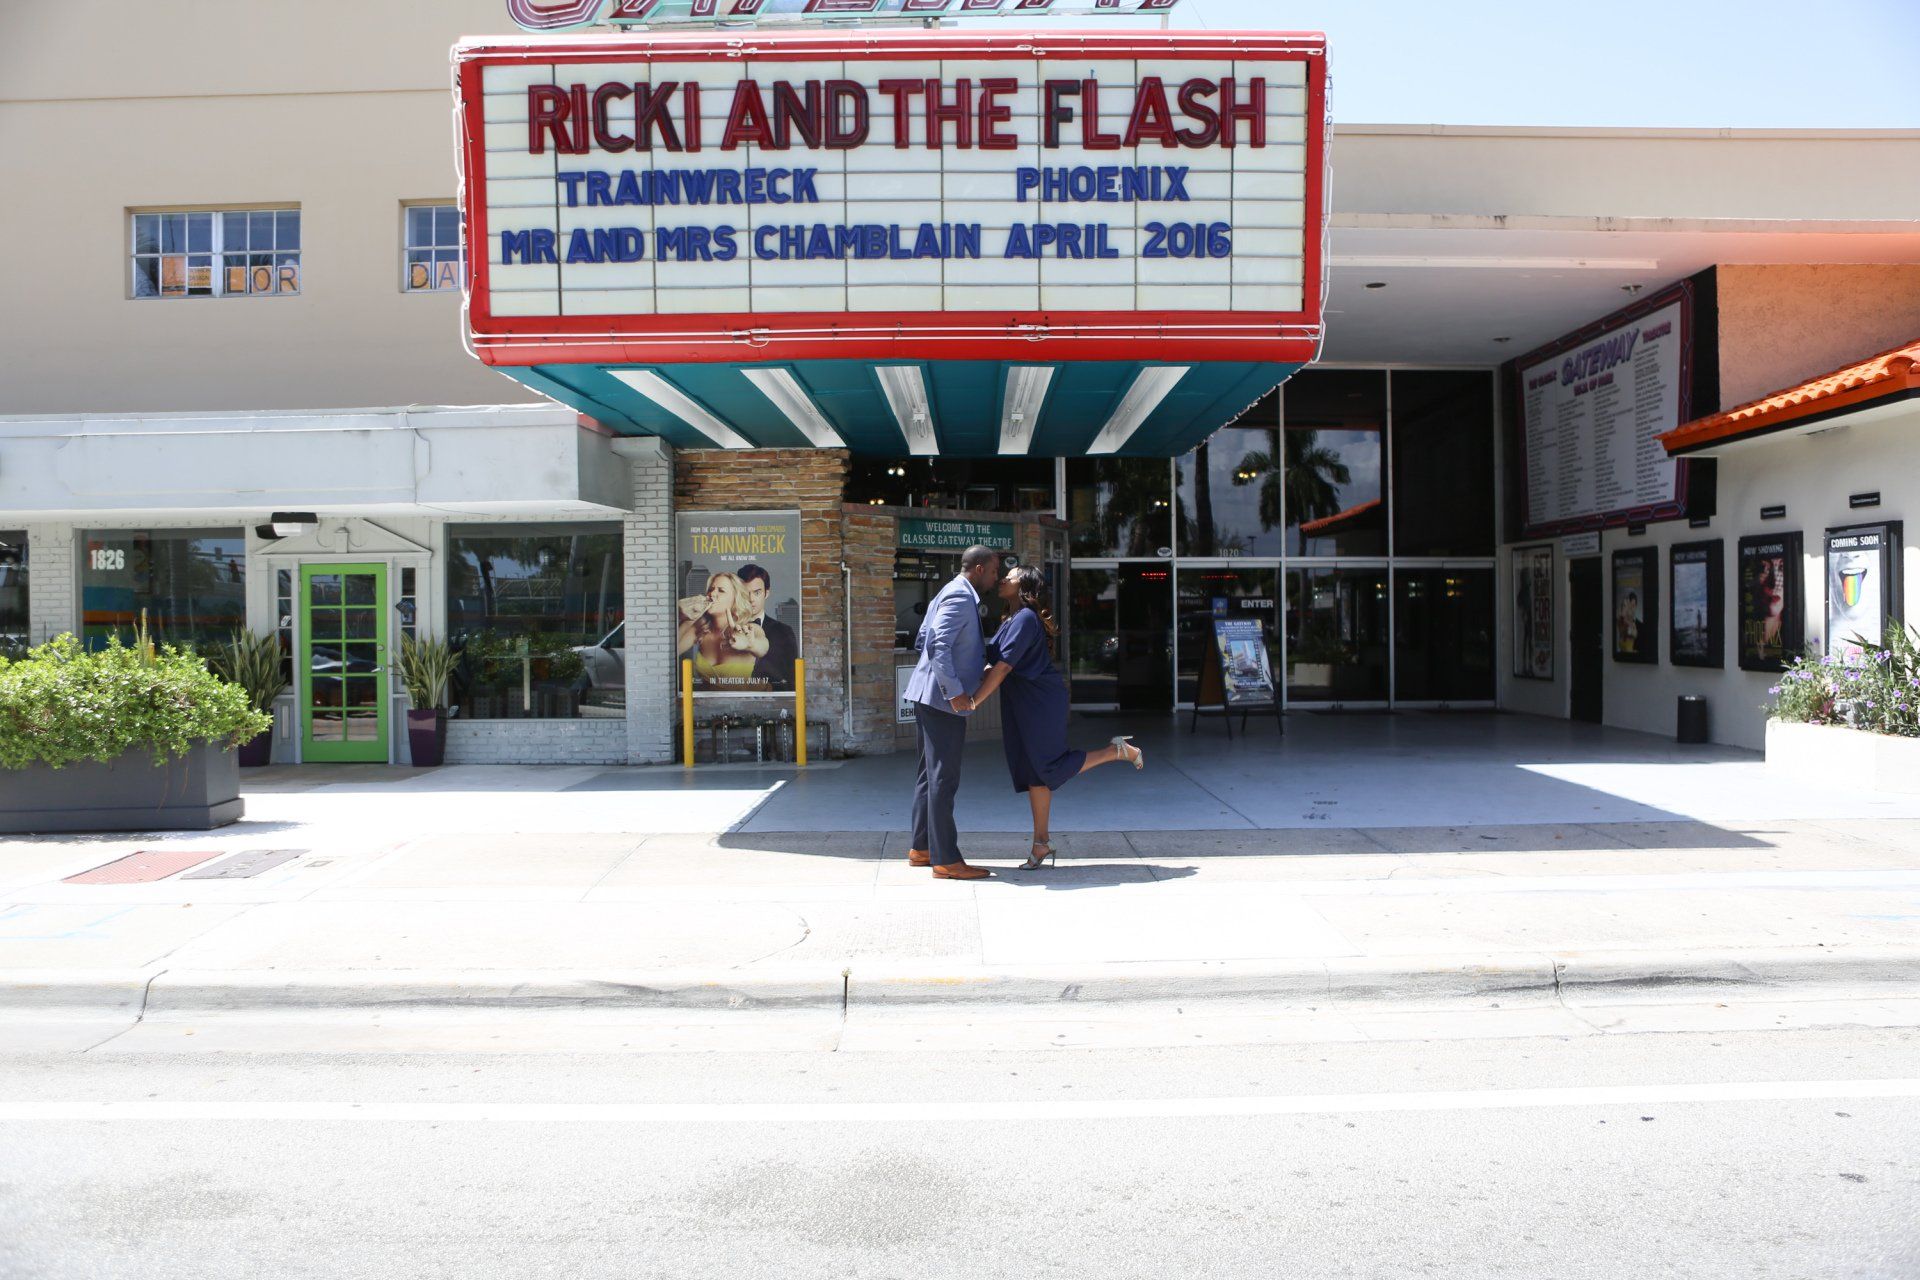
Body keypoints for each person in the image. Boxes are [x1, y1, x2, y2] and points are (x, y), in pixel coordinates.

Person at [968, 565, 1143, 869]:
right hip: (1020, 700)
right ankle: (1041, 845)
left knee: (1047, 766)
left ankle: (1116, 751)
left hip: (1039, 701)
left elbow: (1005, 667)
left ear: (1024, 585)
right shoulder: (1010, 618)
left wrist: (975, 700)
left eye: (1011, 575)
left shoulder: (1024, 618)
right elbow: (997, 664)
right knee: (1034, 772)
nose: (1004, 579)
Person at [901, 545, 1001, 881]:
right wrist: (955, 691)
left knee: (929, 776)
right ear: (977, 568)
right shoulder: (960, 596)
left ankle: (922, 848)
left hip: (928, 696)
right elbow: (936, 645)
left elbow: (922, 640)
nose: (996, 577)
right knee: (944, 778)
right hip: (942, 701)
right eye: (993, 571)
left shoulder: (949, 590)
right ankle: (946, 859)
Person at [676, 571, 760, 686]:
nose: (712, 594)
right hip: (704, 702)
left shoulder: (748, 629)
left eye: (721, 590)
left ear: (735, 600)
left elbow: (763, 647)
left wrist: (751, 645)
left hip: (739, 702)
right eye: (711, 589)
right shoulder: (701, 627)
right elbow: (671, 651)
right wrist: (688, 617)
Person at [735, 563, 799, 691]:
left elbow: (792, 681)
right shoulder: (726, 631)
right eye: (746, 593)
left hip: (774, 702)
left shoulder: (784, 632)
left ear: (766, 593)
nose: (751, 599)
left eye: (757, 593)